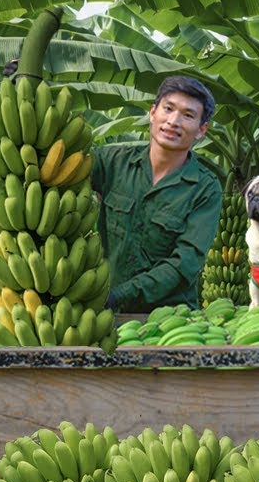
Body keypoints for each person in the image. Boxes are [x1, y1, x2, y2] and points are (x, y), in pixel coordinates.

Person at [91, 76, 222, 313]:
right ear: (153, 113)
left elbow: (184, 264)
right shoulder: (112, 163)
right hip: (101, 312)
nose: (173, 121)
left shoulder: (205, 188)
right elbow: (59, 162)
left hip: (170, 319)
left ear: (202, 130)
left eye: (188, 115)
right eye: (168, 109)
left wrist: (118, 295)